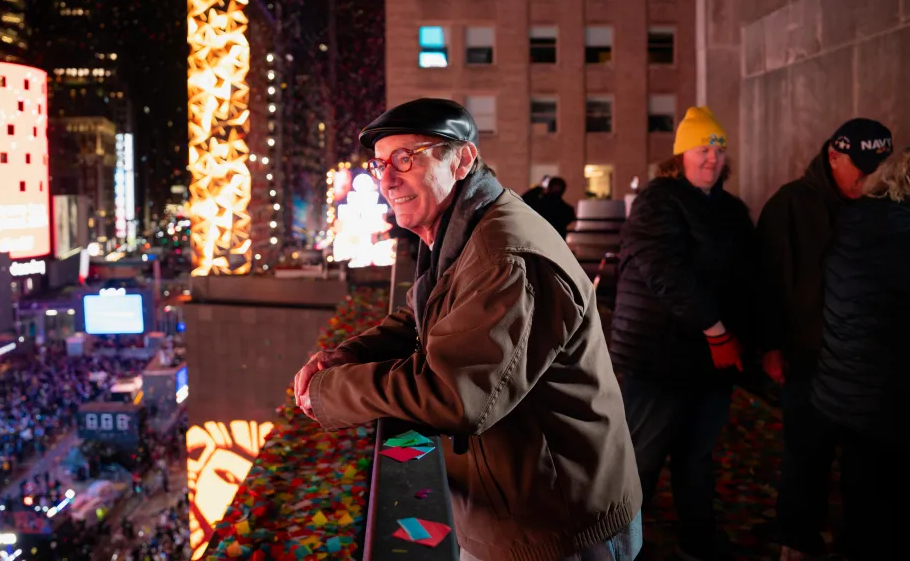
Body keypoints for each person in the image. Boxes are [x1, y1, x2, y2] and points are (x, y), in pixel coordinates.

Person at [293, 98, 642, 561]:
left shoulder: (502, 256)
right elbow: (427, 316)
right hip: (518, 511)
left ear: (462, 160)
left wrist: (329, 391)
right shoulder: (466, 229)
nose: (387, 179)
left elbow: (455, 396)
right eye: (380, 164)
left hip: (558, 527)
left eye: (405, 158)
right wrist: (347, 355)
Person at [609, 106, 756, 561]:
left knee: (696, 457)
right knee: (640, 461)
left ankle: (698, 539)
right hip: (656, 357)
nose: (712, 158)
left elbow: (748, 275)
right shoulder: (660, 199)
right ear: (680, 156)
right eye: (702, 148)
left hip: (709, 362)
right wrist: (716, 330)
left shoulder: (731, 209)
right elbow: (665, 272)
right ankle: (615, 547)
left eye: (719, 149)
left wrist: (746, 334)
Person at [757, 117, 892, 560]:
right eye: (861, 165)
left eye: (878, 166)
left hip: (861, 364)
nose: (869, 176)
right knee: (806, 457)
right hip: (808, 358)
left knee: (864, 466)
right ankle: (797, 538)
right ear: (834, 156)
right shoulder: (791, 204)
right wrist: (770, 346)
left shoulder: (879, 207)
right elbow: (765, 281)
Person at [809, 145, 909, 561]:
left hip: (845, 388)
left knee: (860, 491)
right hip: (887, 394)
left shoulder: (851, 221)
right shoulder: (900, 235)